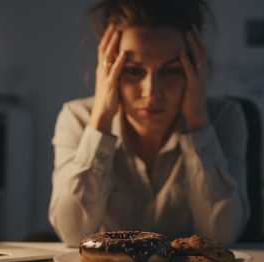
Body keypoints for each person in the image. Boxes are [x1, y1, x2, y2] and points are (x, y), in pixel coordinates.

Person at [49, 0, 250, 247]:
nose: (152, 92)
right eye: (133, 71)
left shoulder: (223, 117)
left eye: (171, 71)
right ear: (109, 69)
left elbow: (222, 236)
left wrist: (198, 122)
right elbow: (73, 234)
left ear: (195, 69)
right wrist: (100, 120)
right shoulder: (77, 117)